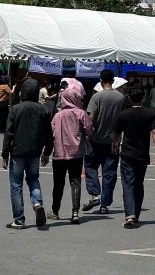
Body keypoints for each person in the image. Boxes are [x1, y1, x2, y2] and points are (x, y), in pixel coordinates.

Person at [1, 77, 54, 229]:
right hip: (35, 151)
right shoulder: (43, 109)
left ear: (23, 92)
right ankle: (37, 204)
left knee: (16, 184)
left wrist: (5, 155)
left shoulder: (15, 109)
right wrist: (47, 152)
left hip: (17, 151)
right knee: (33, 179)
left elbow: (9, 134)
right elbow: (48, 134)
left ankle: (18, 220)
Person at [113, 85, 155, 229]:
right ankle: (136, 213)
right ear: (144, 97)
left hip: (127, 153)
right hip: (142, 154)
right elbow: (154, 133)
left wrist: (114, 145)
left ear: (129, 98)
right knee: (138, 184)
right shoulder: (150, 113)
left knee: (128, 184)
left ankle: (130, 214)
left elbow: (117, 134)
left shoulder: (124, 115)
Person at [83, 69, 127, 215]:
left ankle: (95, 194)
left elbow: (90, 119)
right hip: (113, 140)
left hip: (95, 139)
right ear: (113, 81)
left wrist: (86, 135)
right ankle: (105, 204)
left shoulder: (96, 97)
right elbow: (122, 120)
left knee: (90, 166)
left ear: (101, 81)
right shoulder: (120, 98)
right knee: (109, 173)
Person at [49, 80, 93, 223]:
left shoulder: (57, 115)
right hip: (76, 153)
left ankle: (55, 211)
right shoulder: (81, 113)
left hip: (59, 153)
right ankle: (75, 212)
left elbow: (52, 133)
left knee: (58, 183)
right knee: (75, 181)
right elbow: (89, 130)